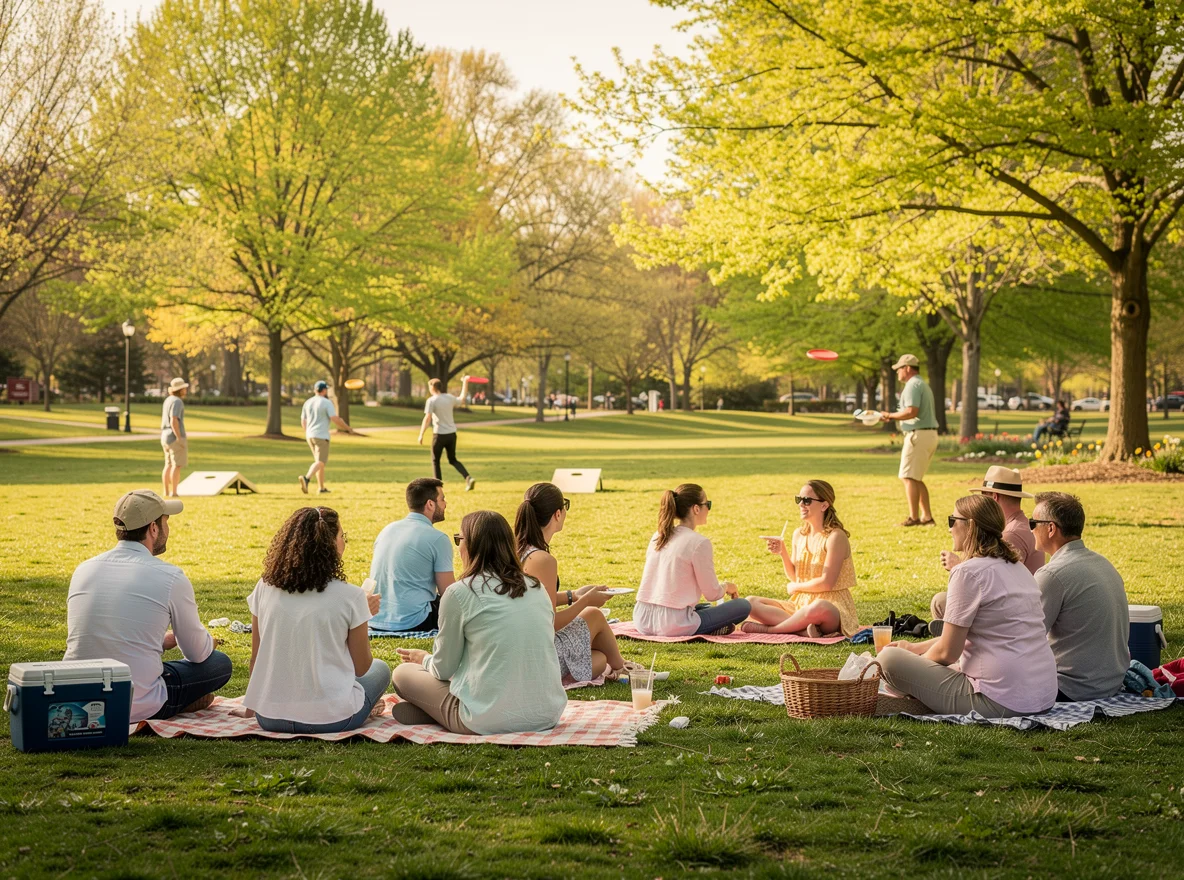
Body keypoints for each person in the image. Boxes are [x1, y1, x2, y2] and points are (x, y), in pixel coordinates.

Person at [877, 495, 1058, 718]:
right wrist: (915, 648)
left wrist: (916, 667)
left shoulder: (968, 572)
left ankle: (912, 695)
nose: (950, 528)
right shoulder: (1018, 568)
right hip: (1043, 696)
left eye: (953, 520)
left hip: (1002, 701)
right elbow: (978, 634)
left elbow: (947, 652)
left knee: (887, 660)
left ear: (970, 526)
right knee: (916, 663)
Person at [390, 511, 567, 734]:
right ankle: (433, 712)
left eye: (459, 540)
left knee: (402, 673)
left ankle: (435, 712)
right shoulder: (536, 587)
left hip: (486, 719)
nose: (458, 548)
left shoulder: (459, 593)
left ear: (472, 545)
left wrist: (423, 659)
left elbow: (443, 669)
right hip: (546, 713)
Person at [63, 490, 232, 723]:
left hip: (75, 696)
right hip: (136, 703)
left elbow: (98, 636)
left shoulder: (84, 569)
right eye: (165, 522)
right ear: (153, 528)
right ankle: (180, 702)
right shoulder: (170, 576)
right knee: (219, 663)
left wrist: (161, 641)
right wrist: (208, 643)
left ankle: (183, 698)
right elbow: (196, 653)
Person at [244, 507, 391, 733]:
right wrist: (364, 616)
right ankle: (366, 707)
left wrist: (250, 709)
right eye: (343, 536)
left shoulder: (264, 586)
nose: (345, 542)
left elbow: (256, 659)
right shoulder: (351, 596)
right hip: (331, 719)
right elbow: (362, 667)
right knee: (380, 669)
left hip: (269, 717)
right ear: (331, 545)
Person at [515, 482, 636, 682]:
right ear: (557, 514)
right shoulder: (542, 560)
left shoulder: (520, 549)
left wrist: (573, 595)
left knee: (599, 658)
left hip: (522, 649)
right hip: (537, 654)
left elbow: (537, 602)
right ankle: (624, 669)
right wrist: (586, 601)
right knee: (593, 615)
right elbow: (549, 623)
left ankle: (617, 667)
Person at [1031, 491, 1130, 701]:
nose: (1031, 529)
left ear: (1050, 528)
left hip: (1071, 689)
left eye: (1033, 523)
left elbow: (1026, 637)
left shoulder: (1051, 574)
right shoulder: (1103, 563)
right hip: (1110, 684)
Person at [742, 480, 860, 637]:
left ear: (824, 506)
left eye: (807, 500)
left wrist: (797, 587)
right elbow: (795, 577)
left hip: (831, 605)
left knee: (819, 607)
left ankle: (772, 630)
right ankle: (803, 630)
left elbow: (826, 583)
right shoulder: (799, 534)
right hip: (799, 604)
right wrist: (783, 552)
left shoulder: (835, 537)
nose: (801, 505)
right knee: (750, 602)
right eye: (799, 499)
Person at [634, 484, 751, 636]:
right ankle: (713, 626)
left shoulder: (658, 535)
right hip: (673, 625)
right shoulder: (699, 543)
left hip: (641, 619)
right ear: (696, 509)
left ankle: (713, 625)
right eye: (707, 504)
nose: (708, 509)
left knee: (705, 608)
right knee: (742, 605)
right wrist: (728, 586)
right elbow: (712, 593)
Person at [930, 466, 1043, 623]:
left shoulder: (1010, 534)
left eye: (983, 495)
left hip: (1010, 617)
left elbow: (997, 583)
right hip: (1020, 613)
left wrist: (959, 565)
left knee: (940, 602)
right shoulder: (1018, 525)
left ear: (994, 497)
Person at [368, 478, 456, 633]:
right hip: (413, 621)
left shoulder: (387, 530)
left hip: (375, 618)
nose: (445, 504)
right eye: (442, 499)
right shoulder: (438, 538)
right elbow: (449, 593)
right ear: (430, 504)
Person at [876, 354, 939, 526]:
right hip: (928, 435)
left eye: (899, 369)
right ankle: (927, 517)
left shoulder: (913, 385)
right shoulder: (921, 384)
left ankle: (914, 517)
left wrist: (888, 415)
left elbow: (912, 411)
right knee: (916, 478)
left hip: (918, 435)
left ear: (908, 368)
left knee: (908, 477)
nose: (897, 372)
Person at [418, 376, 475, 491]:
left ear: (432, 387)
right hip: (452, 434)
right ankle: (468, 478)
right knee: (453, 459)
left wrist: (421, 434)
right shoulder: (449, 398)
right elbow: (462, 398)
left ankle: (437, 488)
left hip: (439, 435)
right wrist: (465, 382)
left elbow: (427, 418)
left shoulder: (432, 400)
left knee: (435, 461)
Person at [299, 380, 356, 494]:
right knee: (321, 462)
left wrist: (308, 432)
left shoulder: (308, 402)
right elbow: (334, 418)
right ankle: (307, 478)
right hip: (321, 435)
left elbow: (303, 421)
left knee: (319, 462)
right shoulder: (326, 403)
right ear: (324, 390)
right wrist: (348, 428)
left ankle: (321, 488)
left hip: (310, 435)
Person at [160, 378, 189, 498]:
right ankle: (174, 492)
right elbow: (174, 419)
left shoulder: (168, 400)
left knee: (168, 464)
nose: (186, 390)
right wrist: (179, 437)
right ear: (180, 390)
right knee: (176, 465)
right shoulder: (177, 401)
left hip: (165, 436)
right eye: (184, 388)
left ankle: (166, 491)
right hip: (174, 437)